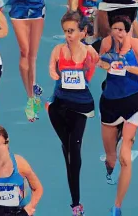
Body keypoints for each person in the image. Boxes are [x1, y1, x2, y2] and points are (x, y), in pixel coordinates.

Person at [97, 15, 138, 214]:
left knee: (125, 158)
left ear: (128, 30)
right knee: (112, 158)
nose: (118, 33)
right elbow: (100, 64)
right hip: (110, 103)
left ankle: (117, 206)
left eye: (122, 29)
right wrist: (107, 62)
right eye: (115, 29)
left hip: (132, 101)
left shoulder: (135, 44)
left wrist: (129, 68)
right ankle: (110, 165)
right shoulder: (106, 43)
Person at [46, 12, 98, 216]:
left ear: (82, 32)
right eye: (65, 31)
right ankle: (75, 199)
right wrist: (55, 74)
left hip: (80, 106)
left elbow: (90, 75)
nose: (68, 35)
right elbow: (51, 69)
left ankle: (76, 203)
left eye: (71, 31)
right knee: (69, 149)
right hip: (58, 106)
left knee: (74, 153)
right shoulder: (57, 50)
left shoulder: (90, 52)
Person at [0, 124, 44, 216]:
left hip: (20, 211)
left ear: (7, 143)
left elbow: (38, 188)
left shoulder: (20, 163)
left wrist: (30, 207)